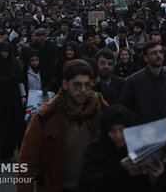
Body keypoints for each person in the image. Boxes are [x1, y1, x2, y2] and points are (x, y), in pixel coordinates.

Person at [17, 59, 107, 192]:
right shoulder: (45, 118)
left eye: (87, 85)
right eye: (77, 85)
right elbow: (27, 163)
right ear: (65, 84)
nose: (83, 90)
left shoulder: (100, 110)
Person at [78, 105, 164, 191]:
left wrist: (153, 178)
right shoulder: (95, 150)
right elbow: (87, 185)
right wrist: (120, 169)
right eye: (112, 131)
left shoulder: (137, 146)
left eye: (122, 130)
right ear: (105, 131)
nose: (118, 136)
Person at [118, 41, 166, 129]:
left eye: (160, 52)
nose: (158, 55)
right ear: (146, 58)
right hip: (141, 133)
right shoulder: (133, 82)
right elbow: (124, 108)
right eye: (154, 53)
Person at [0, 41, 25, 162]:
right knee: (2, 128)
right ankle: (4, 153)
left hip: (13, 100)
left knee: (15, 126)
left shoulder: (14, 63)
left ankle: (17, 151)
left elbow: (19, 79)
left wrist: (22, 95)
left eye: (6, 52)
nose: (4, 54)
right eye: (2, 51)